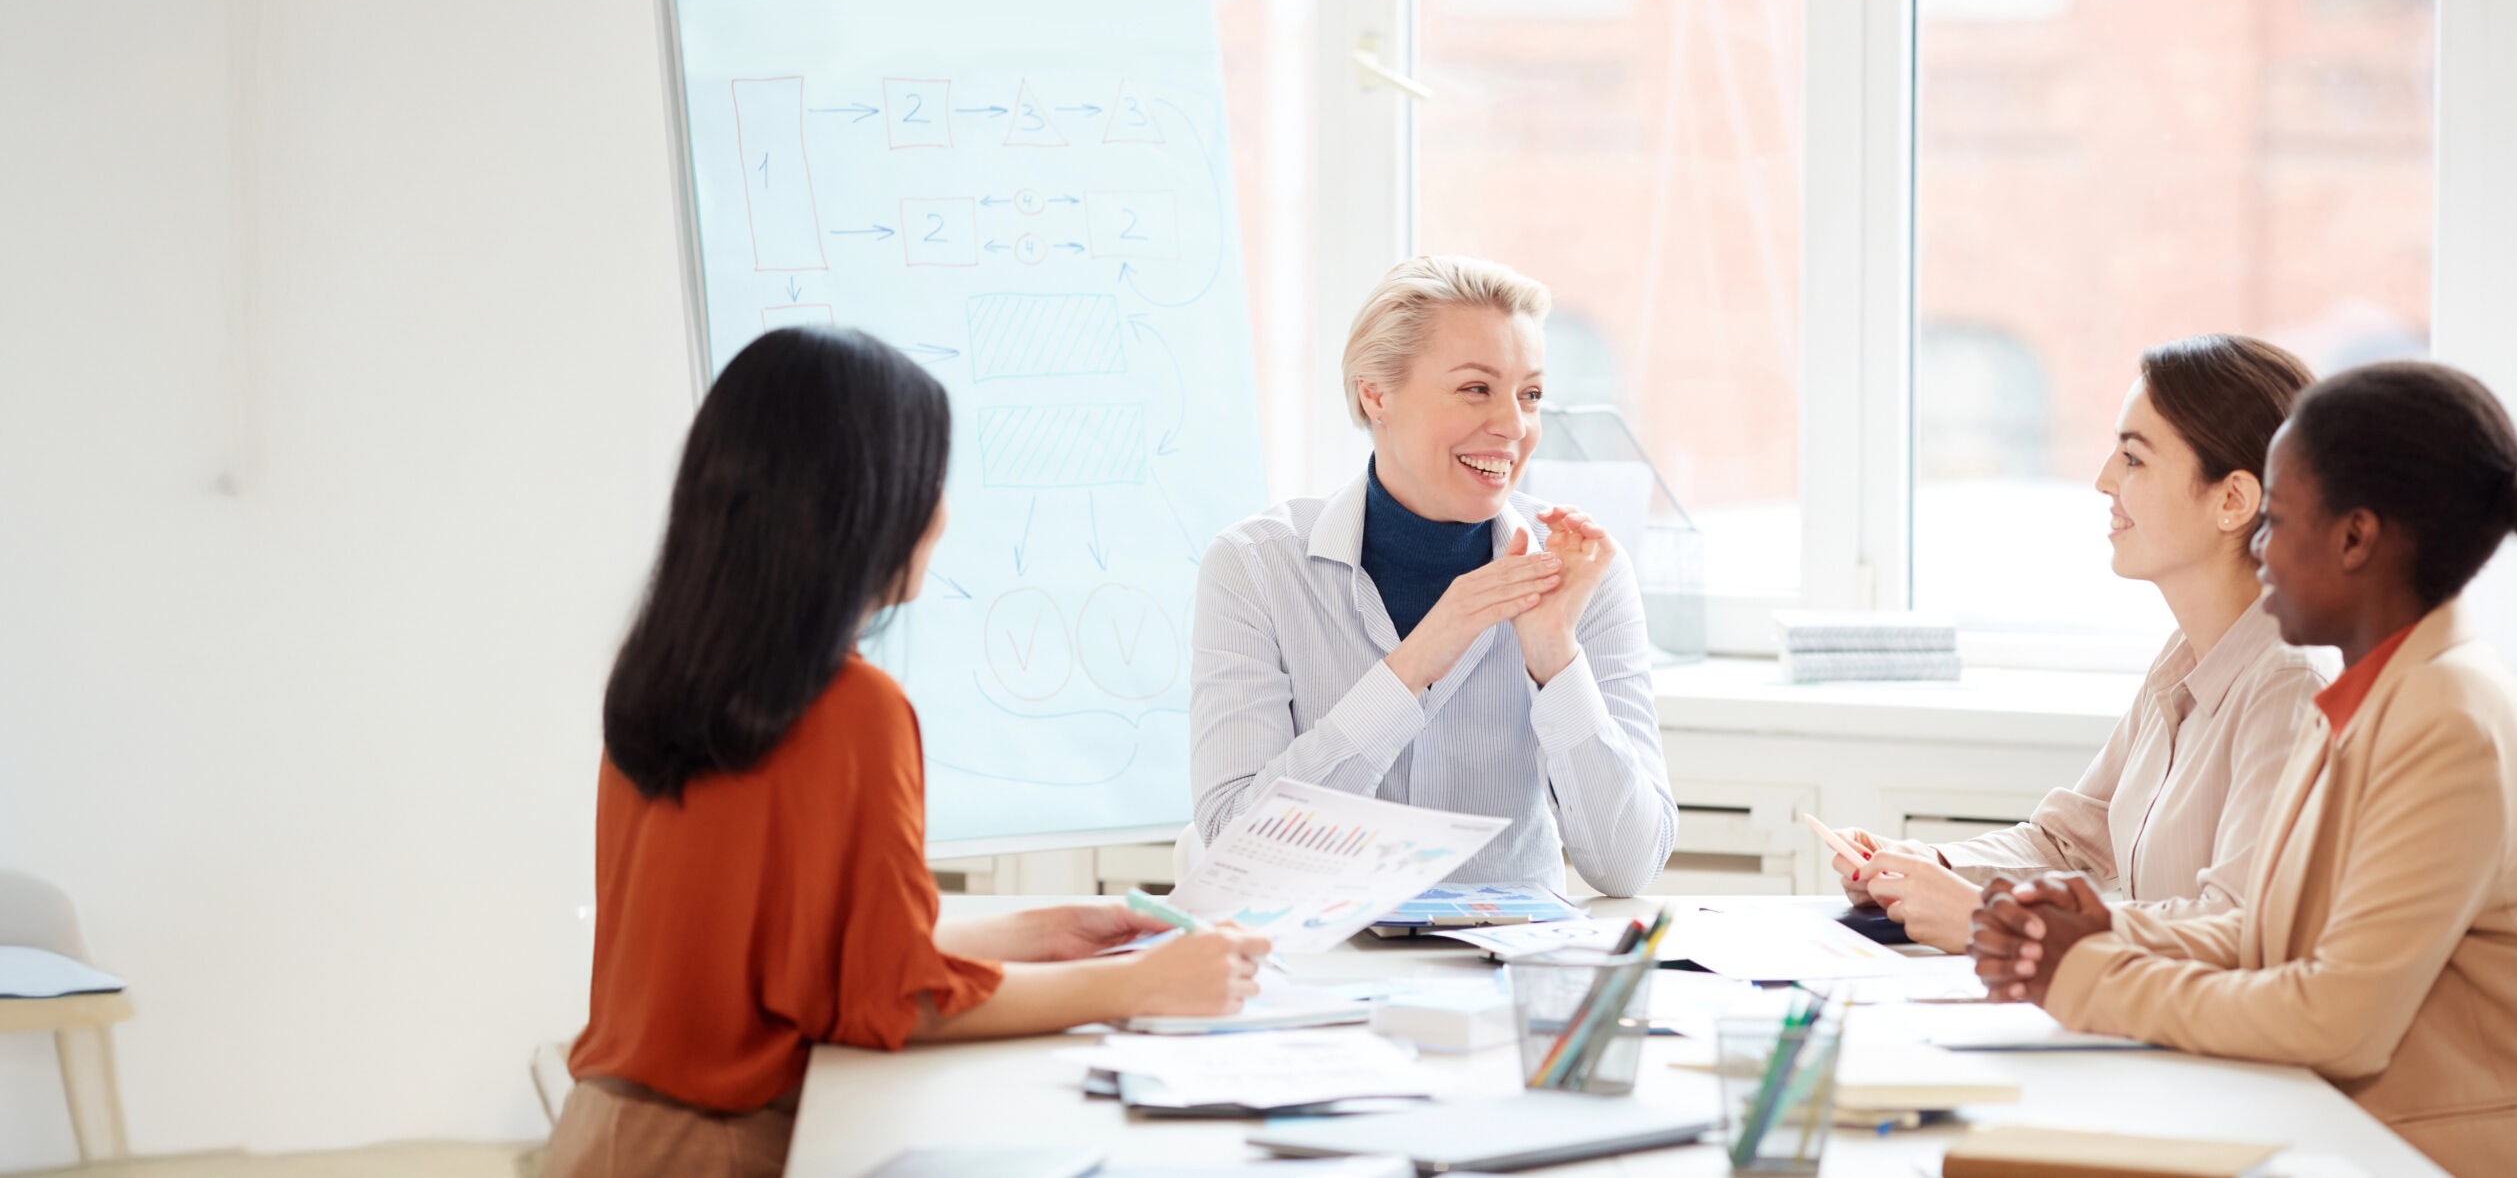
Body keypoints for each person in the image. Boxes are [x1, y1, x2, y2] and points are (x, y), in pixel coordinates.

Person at [548, 329, 1268, 1178]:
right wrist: (1140, 986)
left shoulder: (666, 681)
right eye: (929, 479)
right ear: (863, 504)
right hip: (720, 1151)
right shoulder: (851, 709)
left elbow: (818, 965)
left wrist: (1047, 930)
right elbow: (893, 1001)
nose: (941, 511)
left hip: (605, 1135)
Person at [1970, 361, 2517, 1176]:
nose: (2258, 550)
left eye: (2276, 521)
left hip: (2445, 1152)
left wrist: (2090, 973)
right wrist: (2101, 931)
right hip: (2356, 1125)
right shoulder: (2380, 689)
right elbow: (2272, 935)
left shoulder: (2448, 715)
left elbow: (2337, 1017)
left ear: (2356, 538)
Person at [1188, 255, 1677, 896]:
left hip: (1505, 975)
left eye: (1529, 394)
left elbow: (1629, 866)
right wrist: (1416, 660)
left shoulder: (1584, 573)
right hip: (1320, 968)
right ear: (1376, 393)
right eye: (1477, 389)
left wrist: (1555, 656)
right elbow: (1237, 849)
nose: (1514, 426)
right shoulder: (1255, 568)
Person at [1831, 335, 2336, 950]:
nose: (2103, 480)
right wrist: (1925, 866)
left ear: (2232, 499)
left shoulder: (2290, 685)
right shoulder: (2185, 658)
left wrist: (1997, 923)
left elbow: (2240, 928)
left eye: (2134, 459)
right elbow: (2069, 842)